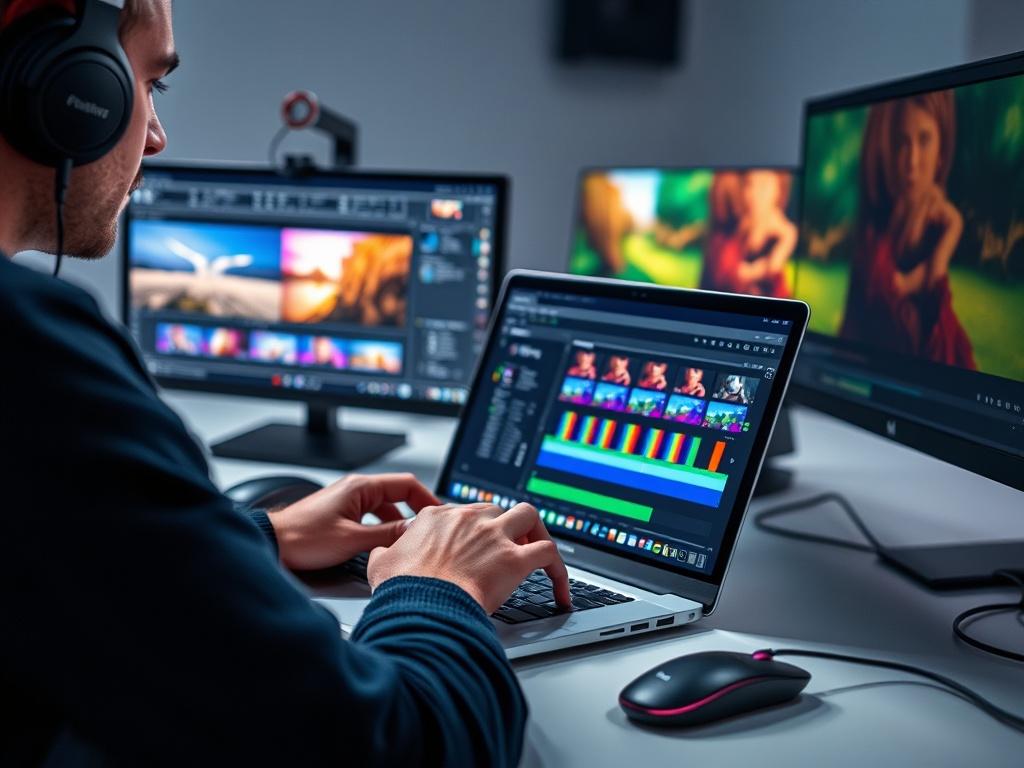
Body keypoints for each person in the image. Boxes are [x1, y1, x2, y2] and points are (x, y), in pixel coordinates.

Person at [0, 2, 570, 766]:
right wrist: (436, 585)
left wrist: (254, 541)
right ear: (73, 85)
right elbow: (392, 748)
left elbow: (59, 569)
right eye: (152, 85)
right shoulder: (29, 354)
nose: (159, 137)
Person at [840, 91, 976, 369]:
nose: (912, 161)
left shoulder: (939, 224)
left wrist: (941, 253)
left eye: (924, 140)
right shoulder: (880, 231)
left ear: (941, 152)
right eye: (902, 143)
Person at [701, 170, 797, 297]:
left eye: (763, 186)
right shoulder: (744, 221)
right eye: (749, 184)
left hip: (775, 299)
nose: (754, 194)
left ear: (778, 190)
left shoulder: (782, 227)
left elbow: (774, 265)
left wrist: (751, 272)